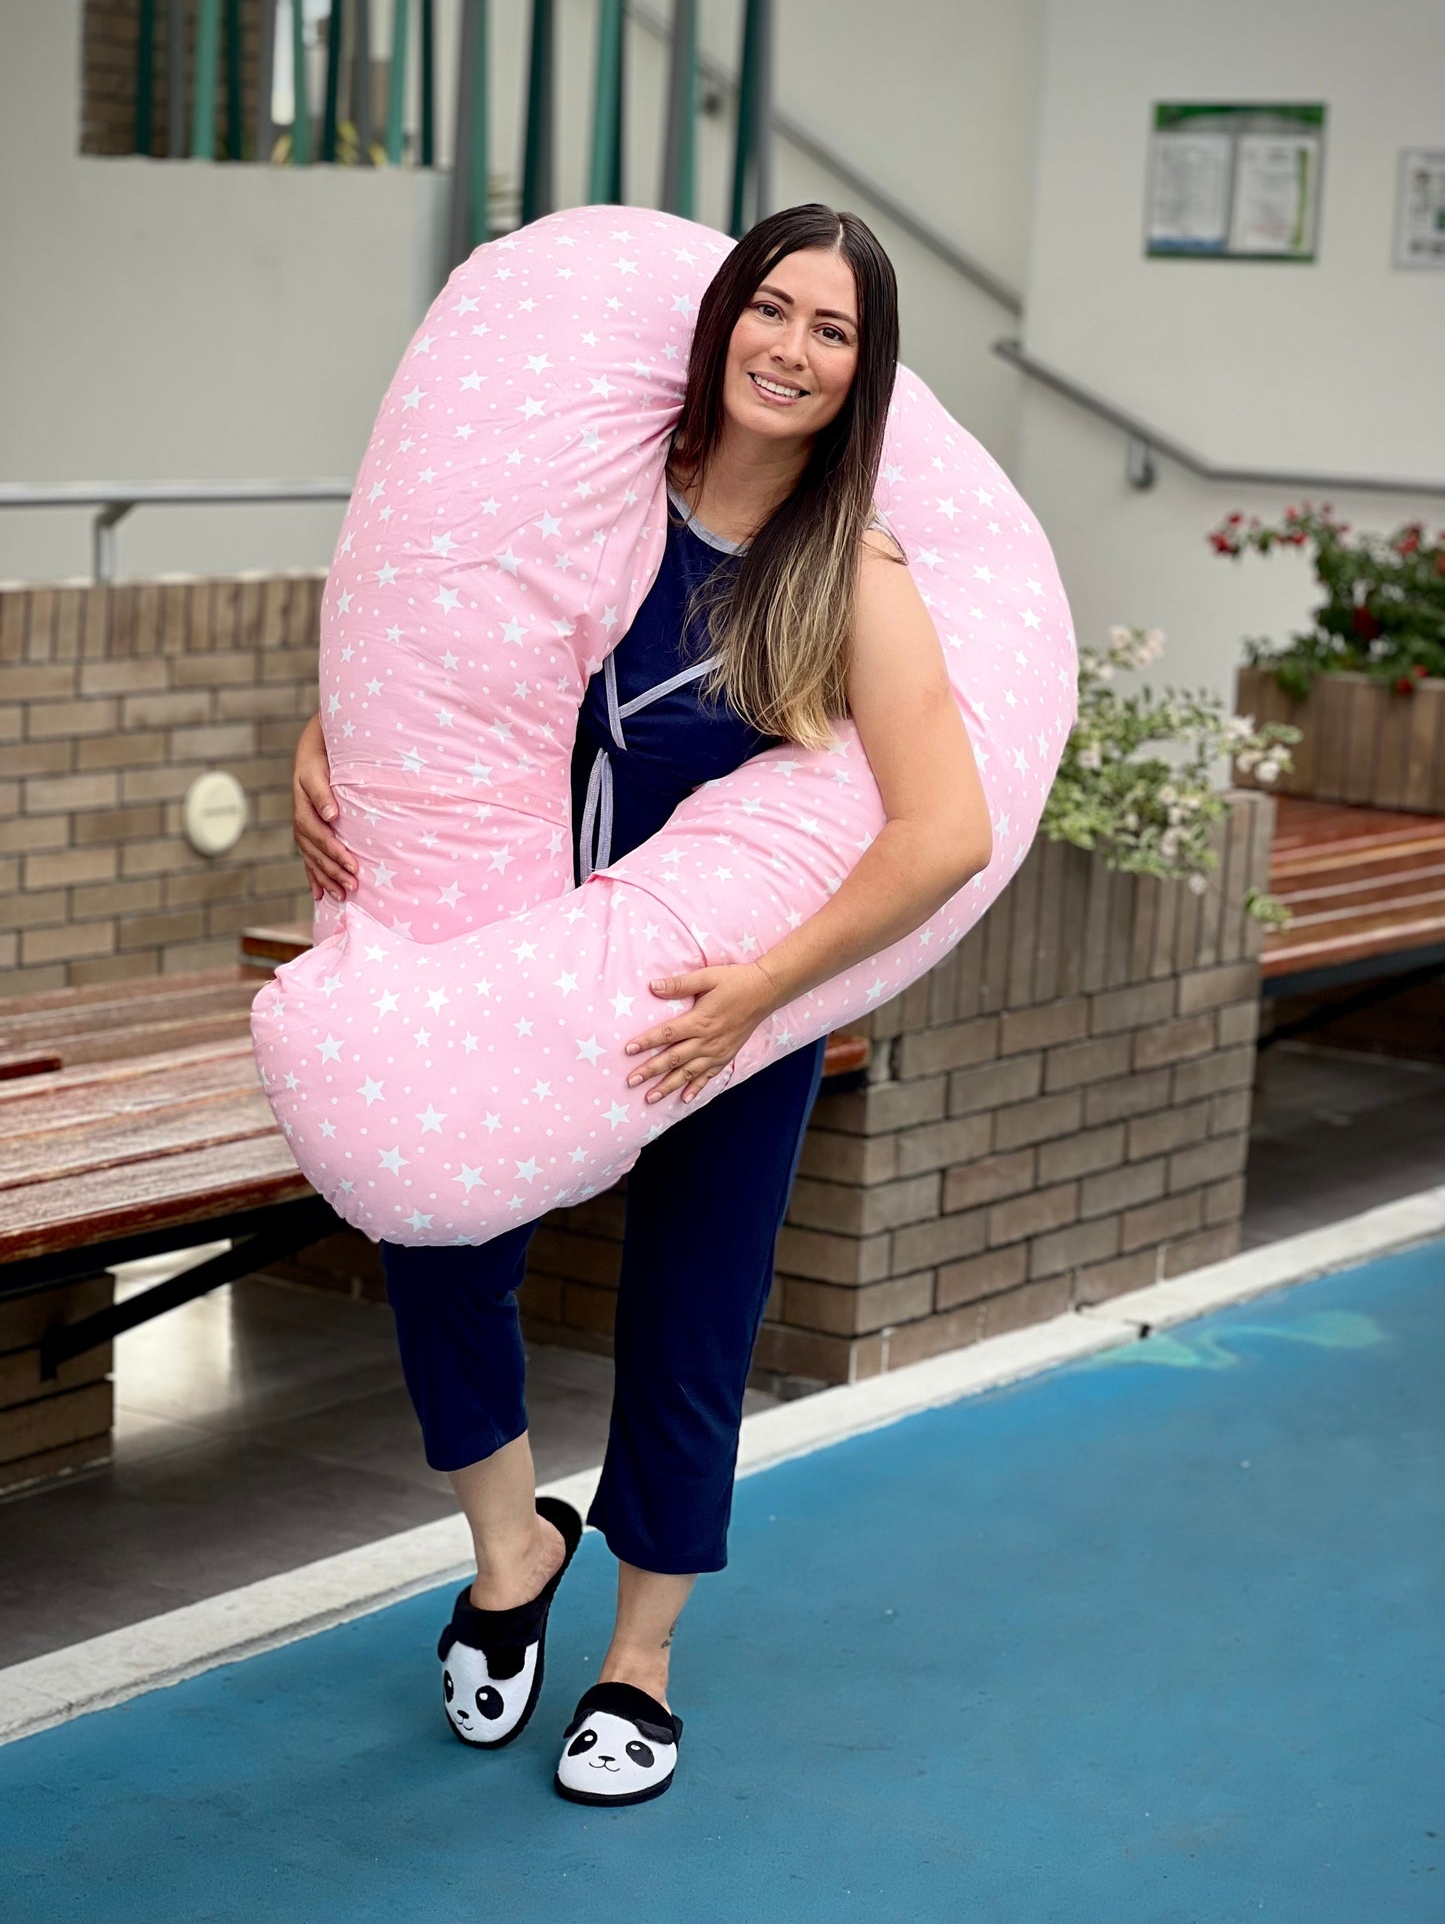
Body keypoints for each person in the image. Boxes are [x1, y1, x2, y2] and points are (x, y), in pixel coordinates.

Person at [292, 202, 993, 1807]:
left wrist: (760, 993)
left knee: (692, 1309)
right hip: (517, 951)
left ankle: (640, 1661)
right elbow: (437, 632)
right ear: (719, 316)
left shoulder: (847, 572)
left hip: (718, 1000)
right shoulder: (592, 481)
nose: (791, 349)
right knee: (435, 1228)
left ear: (864, 372)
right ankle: (510, 1551)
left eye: (832, 330)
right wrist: (327, 738)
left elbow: (943, 830)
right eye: (772, 307)